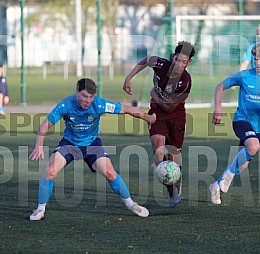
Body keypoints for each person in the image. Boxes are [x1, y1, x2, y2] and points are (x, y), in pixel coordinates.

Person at [29, 78, 156, 220]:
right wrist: (38, 146)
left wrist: (148, 118)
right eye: (84, 96)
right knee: (50, 171)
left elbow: (127, 109)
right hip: (70, 144)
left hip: (92, 145)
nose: (87, 100)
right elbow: (45, 124)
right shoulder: (66, 104)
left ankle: (131, 204)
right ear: (77, 93)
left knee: (110, 172)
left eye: (90, 97)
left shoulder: (99, 104)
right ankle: (40, 209)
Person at [209, 42, 260, 205]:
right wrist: (218, 108)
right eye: (255, 59)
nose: (257, 63)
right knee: (253, 146)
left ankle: (215, 185)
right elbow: (220, 86)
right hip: (242, 120)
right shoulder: (244, 75)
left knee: (242, 164)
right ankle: (227, 177)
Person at [122, 41, 195, 207]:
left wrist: (154, 93)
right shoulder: (161, 64)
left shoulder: (185, 81)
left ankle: (176, 184)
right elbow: (146, 60)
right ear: (173, 57)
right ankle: (170, 188)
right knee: (159, 151)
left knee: (173, 154)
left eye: (183, 62)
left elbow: (170, 106)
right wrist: (129, 77)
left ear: (188, 63)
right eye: (177, 59)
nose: (179, 64)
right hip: (157, 115)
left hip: (176, 116)